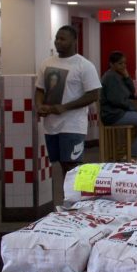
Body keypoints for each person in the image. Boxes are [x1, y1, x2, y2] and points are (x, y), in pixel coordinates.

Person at [35, 25, 102, 174]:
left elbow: (93, 95)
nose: (58, 41)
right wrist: (39, 105)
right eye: (57, 38)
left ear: (74, 41)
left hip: (73, 125)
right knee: (62, 164)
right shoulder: (46, 63)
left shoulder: (84, 66)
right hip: (51, 125)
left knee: (73, 167)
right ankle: (69, 197)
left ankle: (79, 197)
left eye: (62, 39)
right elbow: (40, 89)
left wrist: (65, 107)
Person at [100, 51, 137, 160]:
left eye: (125, 63)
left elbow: (132, 92)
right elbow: (117, 100)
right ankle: (133, 155)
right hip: (114, 114)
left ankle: (134, 153)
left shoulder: (118, 76)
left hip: (116, 113)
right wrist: (134, 110)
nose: (123, 66)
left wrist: (127, 76)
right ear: (112, 64)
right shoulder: (111, 77)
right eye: (120, 64)